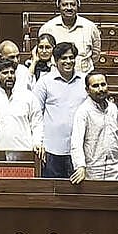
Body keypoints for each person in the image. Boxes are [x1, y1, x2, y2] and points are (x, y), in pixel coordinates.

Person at [33, 42, 87, 178]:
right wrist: (38, 141)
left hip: (79, 149)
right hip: (51, 149)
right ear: (56, 61)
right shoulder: (45, 82)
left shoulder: (85, 80)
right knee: (52, 193)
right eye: (64, 58)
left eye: (71, 57)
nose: (68, 61)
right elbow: (35, 114)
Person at [70, 72, 118, 184]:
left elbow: (117, 137)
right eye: (95, 86)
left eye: (103, 84)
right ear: (87, 90)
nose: (100, 89)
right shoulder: (83, 111)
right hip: (94, 171)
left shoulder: (112, 108)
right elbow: (76, 142)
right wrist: (80, 166)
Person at [39, 0, 100, 73]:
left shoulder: (90, 27)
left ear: (78, 6)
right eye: (64, 5)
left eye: (72, 4)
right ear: (58, 6)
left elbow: (95, 55)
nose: (69, 8)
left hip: (84, 77)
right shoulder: (48, 28)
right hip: (55, 76)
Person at [0, 59, 43, 153]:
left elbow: (37, 123)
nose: (10, 76)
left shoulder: (28, 96)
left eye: (12, 72)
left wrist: (37, 142)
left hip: (25, 152)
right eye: (5, 73)